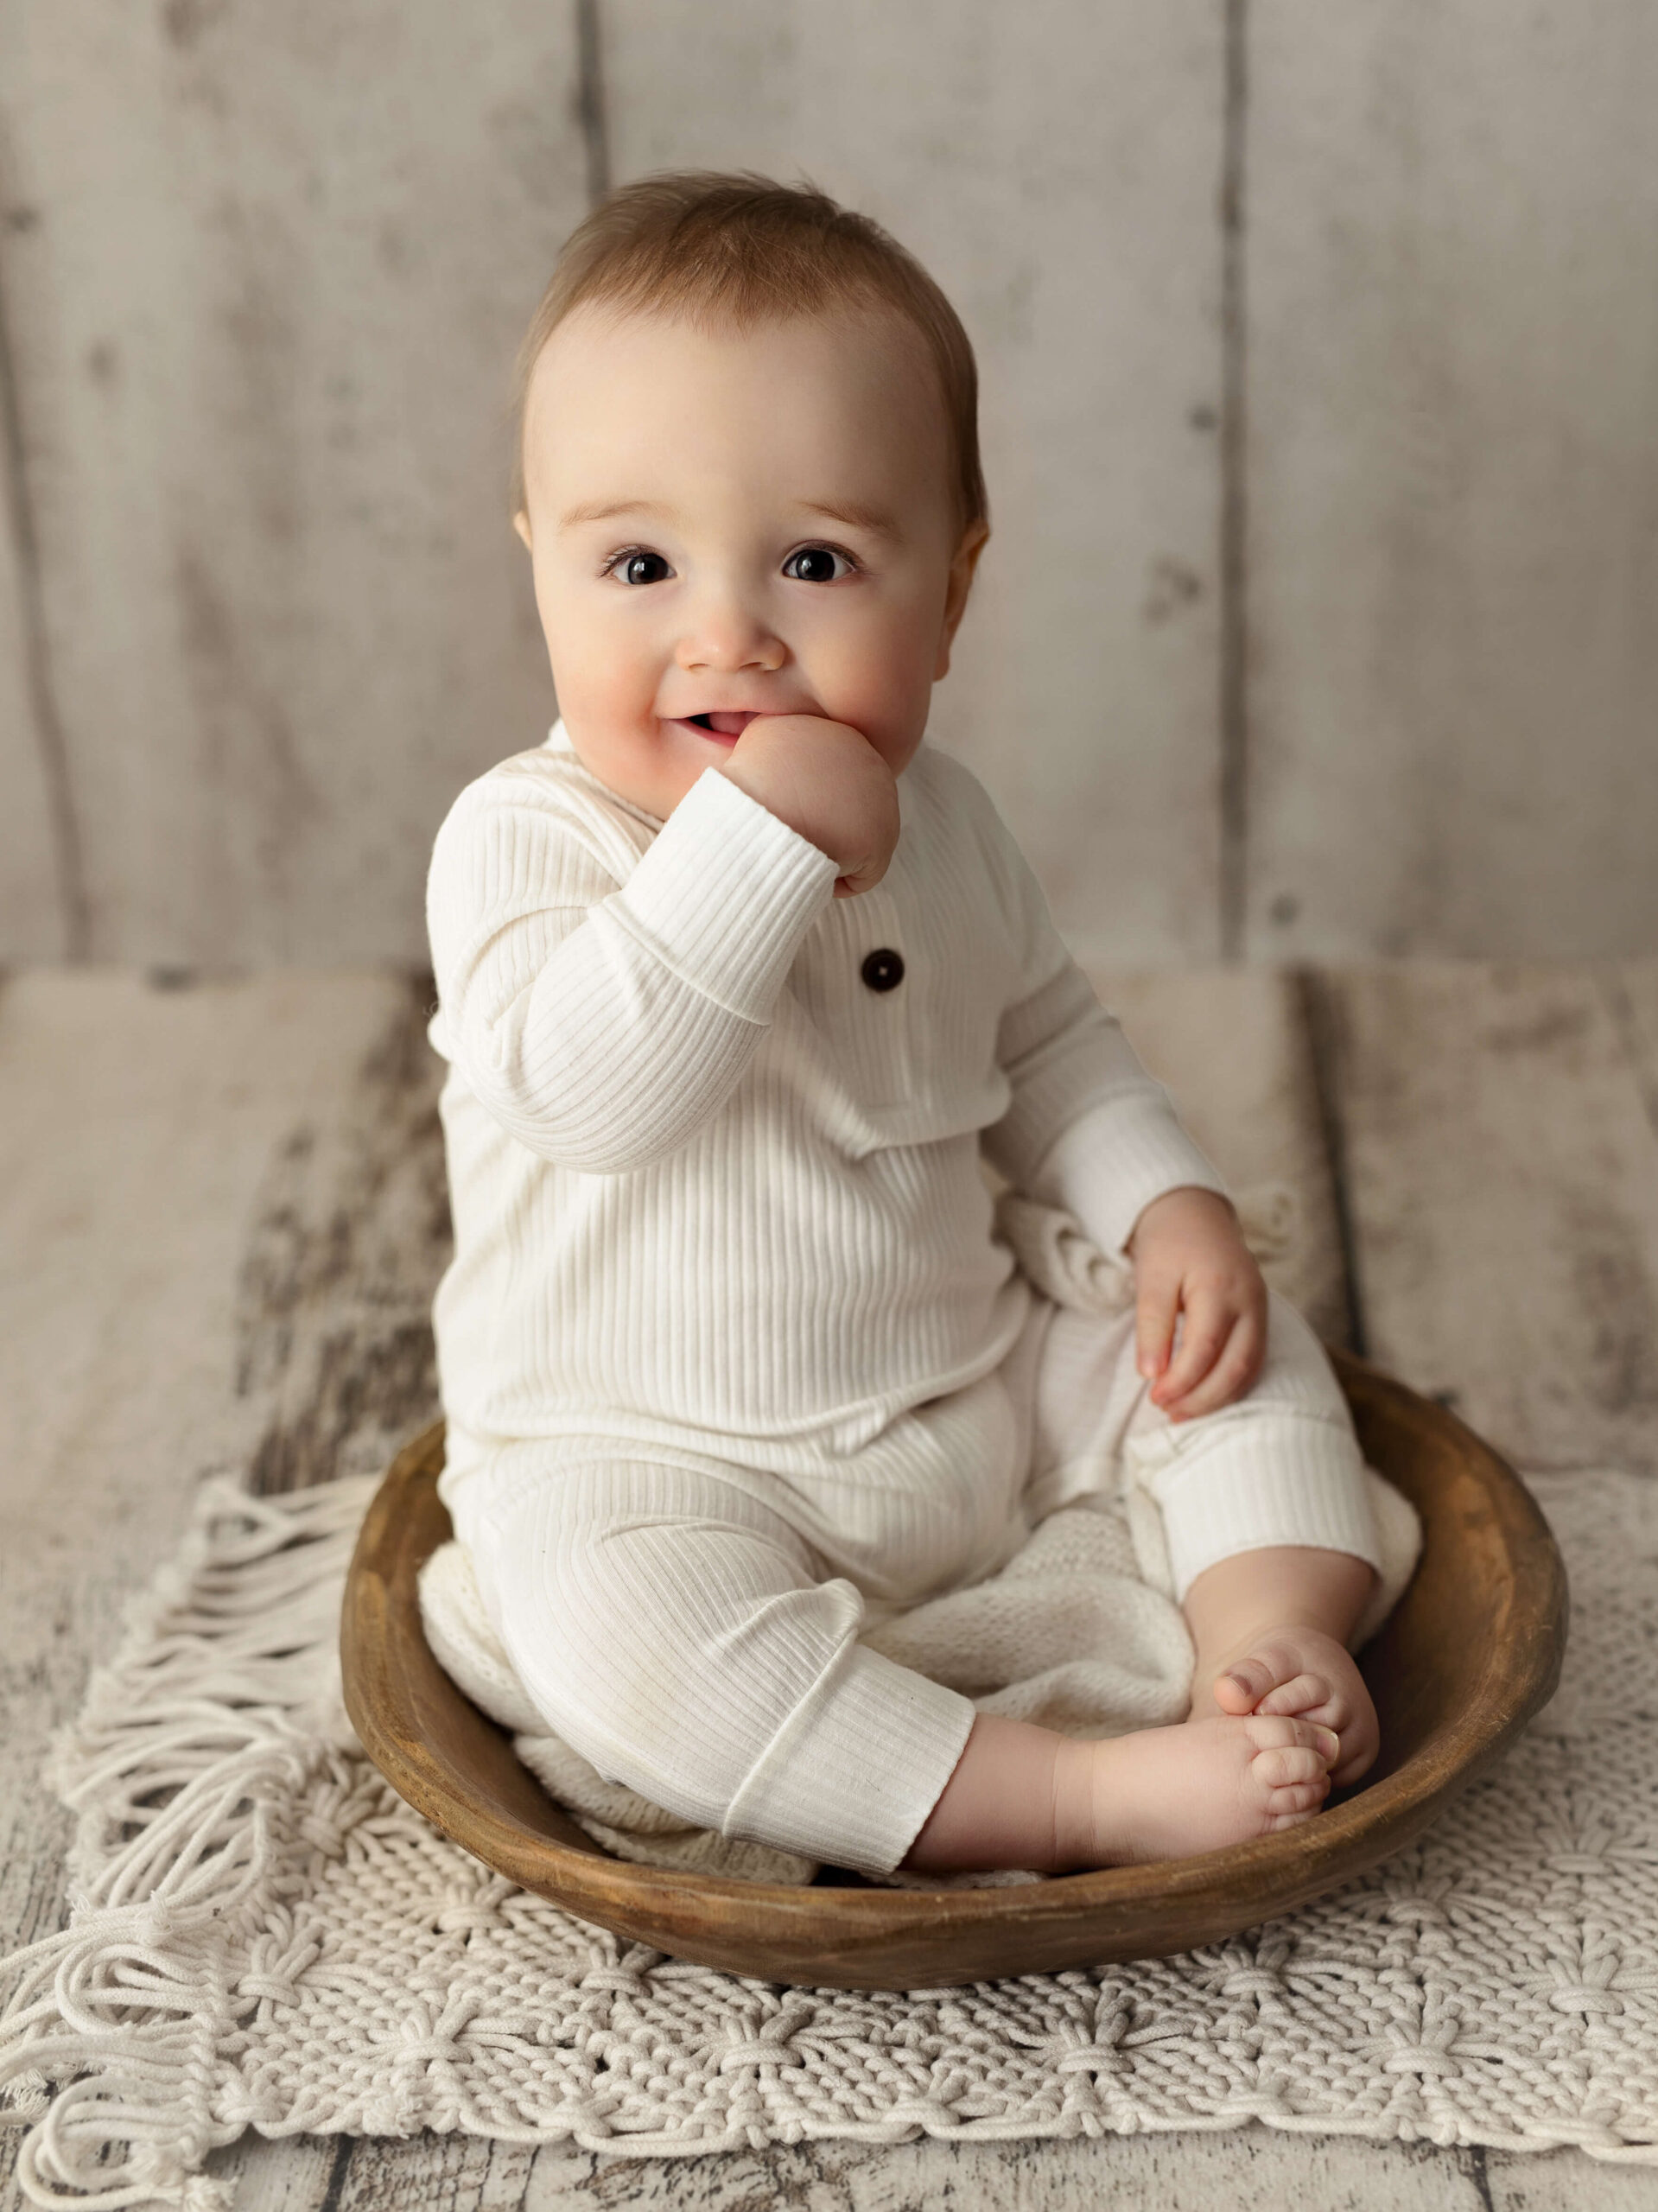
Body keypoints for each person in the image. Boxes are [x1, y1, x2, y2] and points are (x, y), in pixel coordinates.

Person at [423, 172, 1414, 1879]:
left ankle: (1274, 1627)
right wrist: (759, 839)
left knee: (1225, 1341)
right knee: (607, 1642)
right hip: (665, 1457)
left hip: (966, 1383)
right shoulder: (526, 837)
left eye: (815, 560)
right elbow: (587, 1091)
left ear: (950, 590)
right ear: (542, 569)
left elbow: (1045, 1043)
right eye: (638, 562)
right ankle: (1069, 1792)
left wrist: (1159, 1203)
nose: (725, 632)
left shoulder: (947, 822)